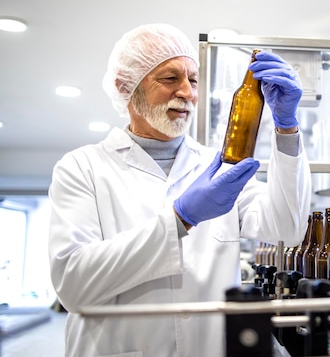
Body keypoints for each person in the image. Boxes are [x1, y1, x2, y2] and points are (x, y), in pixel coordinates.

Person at [48, 23, 312, 357]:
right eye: (170, 79)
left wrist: (286, 126)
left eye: (193, 80)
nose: (187, 92)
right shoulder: (82, 168)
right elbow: (73, 286)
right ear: (125, 85)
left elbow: (287, 227)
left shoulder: (218, 165)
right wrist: (179, 219)